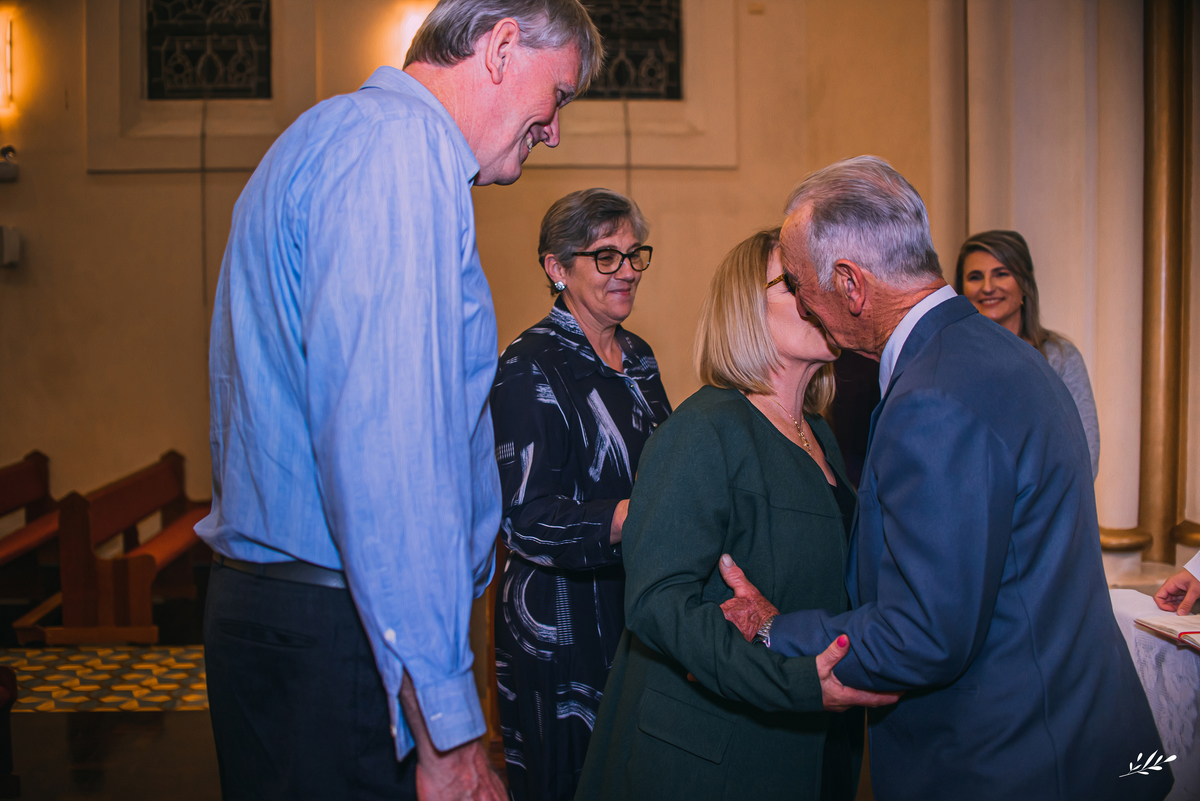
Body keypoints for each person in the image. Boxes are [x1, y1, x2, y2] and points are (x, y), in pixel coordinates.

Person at [196, 3, 602, 799]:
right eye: (559, 95)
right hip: (344, 632)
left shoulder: (329, 135)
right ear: (501, 47)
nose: (554, 129)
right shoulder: (399, 148)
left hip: (291, 616)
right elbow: (387, 460)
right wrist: (447, 731)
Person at [717, 156, 1171, 801]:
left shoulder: (931, 397)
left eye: (797, 280)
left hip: (1013, 762)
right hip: (1090, 741)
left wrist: (774, 629)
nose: (799, 298)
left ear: (849, 283)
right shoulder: (1002, 352)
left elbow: (924, 635)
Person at [575, 228, 898, 801]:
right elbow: (657, 603)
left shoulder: (816, 432)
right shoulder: (706, 428)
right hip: (710, 757)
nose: (820, 293)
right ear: (745, 306)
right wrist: (795, 680)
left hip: (814, 746)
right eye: (796, 281)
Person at [490, 188, 672, 800]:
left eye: (633, 254)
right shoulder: (529, 365)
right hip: (559, 622)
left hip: (632, 603)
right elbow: (526, 521)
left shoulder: (639, 357)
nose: (625, 272)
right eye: (605, 257)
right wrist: (633, 515)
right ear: (556, 267)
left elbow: (667, 467)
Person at [955, 230, 1101, 479]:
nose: (988, 287)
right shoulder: (949, 360)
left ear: (1024, 284)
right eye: (975, 277)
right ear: (961, 291)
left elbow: (1084, 455)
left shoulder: (1061, 359)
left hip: (1044, 512)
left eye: (1001, 274)